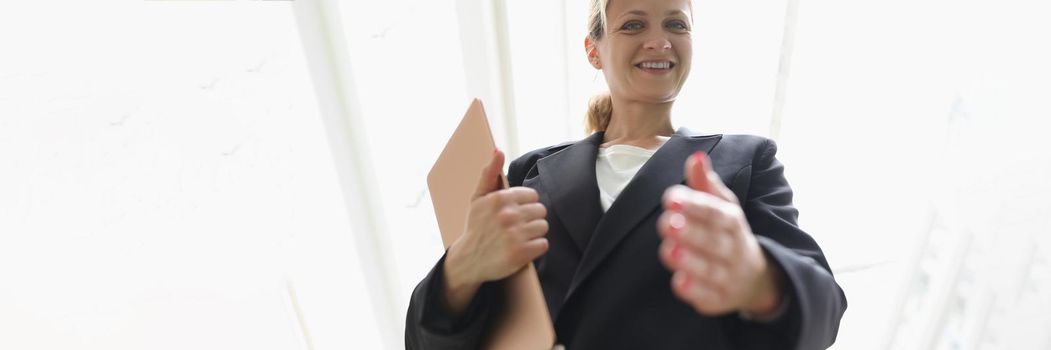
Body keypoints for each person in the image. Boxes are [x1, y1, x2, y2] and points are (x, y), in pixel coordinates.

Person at [405, 0, 847, 348]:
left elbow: (825, 309)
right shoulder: (527, 173)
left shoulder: (745, 159)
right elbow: (426, 341)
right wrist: (461, 268)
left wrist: (760, 279)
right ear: (593, 50)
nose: (659, 41)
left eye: (676, 24)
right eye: (634, 25)